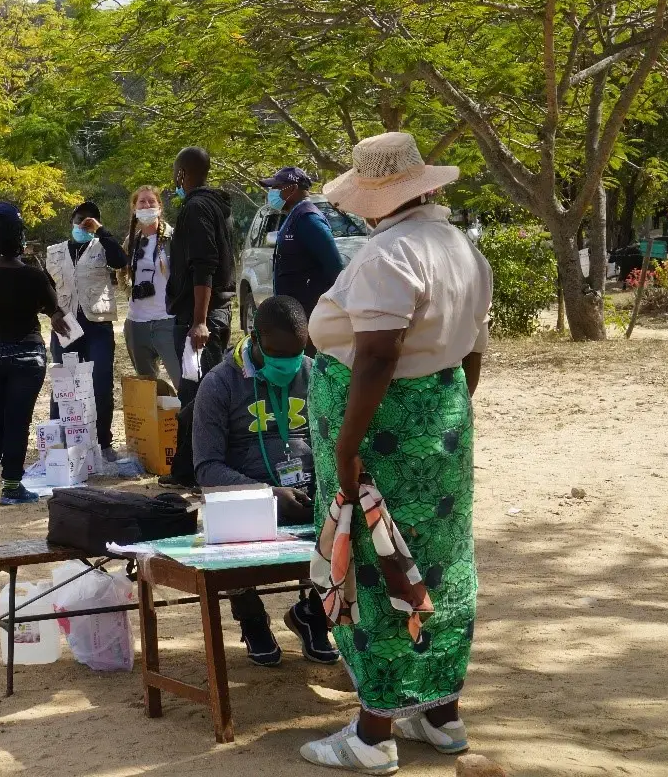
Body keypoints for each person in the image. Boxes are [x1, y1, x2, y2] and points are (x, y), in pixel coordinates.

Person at [299, 132, 492, 774]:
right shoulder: (460, 248)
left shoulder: (393, 253)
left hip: (382, 433)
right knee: (436, 563)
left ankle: (371, 732)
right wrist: (447, 421)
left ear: (377, 201)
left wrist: (350, 448)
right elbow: (471, 354)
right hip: (439, 425)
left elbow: (378, 355)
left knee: (382, 565)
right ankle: (440, 715)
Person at [179, 294, 339, 667]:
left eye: (297, 353)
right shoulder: (220, 385)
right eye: (279, 354)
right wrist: (268, 494)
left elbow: (332, 443)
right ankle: (251, 618)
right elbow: (206, 468)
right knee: (228, 527)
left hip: (308, 496)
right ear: (255, 337)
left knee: (353, 525)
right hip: (248, 502)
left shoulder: (313, 375)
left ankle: (313, 615)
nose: (289, 364)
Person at [0, 203, 72, 506]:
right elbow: (57, 312)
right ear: (20, 236)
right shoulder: (33, 276)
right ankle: (13, 486)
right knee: (18, 421)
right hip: (26, 357)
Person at [45, 200, 129, 463]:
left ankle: (103, 442)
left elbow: (120, 261)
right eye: (80, 219)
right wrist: (52, 312)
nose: (84, 223)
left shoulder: (103, 248)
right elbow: (45, 287)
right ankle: (59, 443)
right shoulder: (55, 252)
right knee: (63, 384)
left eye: (90, 220)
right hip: (66, 323)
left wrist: (102, 232)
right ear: (71, 222)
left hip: (97, 325)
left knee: (101, 383)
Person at [167, 146, 237, 409]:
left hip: (200, 323)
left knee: (198, 401)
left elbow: (204, 266)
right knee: (201, 395)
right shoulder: (216, 205)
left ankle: (198, 451)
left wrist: (199, 322)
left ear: (182, 174)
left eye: (175, 173)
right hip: (214, 314)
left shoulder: (197, 207)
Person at [261, 167, 343, 350]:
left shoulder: (308, 218)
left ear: (292, 188)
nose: (271, 192)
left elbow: (335, 266)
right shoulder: (293, 216)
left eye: (276, 187)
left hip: (309, 316)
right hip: (293, 315)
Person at [122, 186, 182, 390]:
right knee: (148, 389)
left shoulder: (174, 238)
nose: (146, 205)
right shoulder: (132, 241)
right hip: (137, 323)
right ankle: (158, 423)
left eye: (151, 201)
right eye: (141, 202)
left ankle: (187, 421)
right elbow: (122, 274)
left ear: (159, 206)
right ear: (134, 208)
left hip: (167, 320)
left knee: (183, 382)